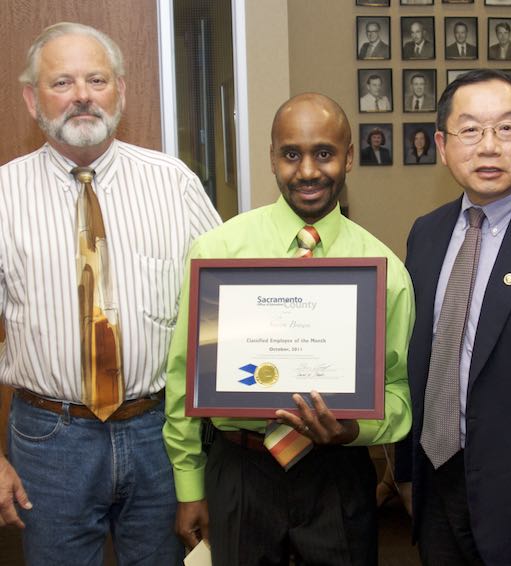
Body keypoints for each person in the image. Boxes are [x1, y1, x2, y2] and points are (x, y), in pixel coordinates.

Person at [0, 22, 220, 565]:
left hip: (159, 434)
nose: (81, 96)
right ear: (32, 98)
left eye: (96, 79)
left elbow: (221, 306)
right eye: (62, 82)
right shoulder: (4, 194)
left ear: (120, 89)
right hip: (49, 441)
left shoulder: (175, 183)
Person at [164, 92, 415, 566]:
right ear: (272, 158)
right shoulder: (218, 252)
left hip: (337, 476)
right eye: (291, 154)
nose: (307, 171)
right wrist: (189, 486)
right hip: (240, 470)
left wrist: (351, 428)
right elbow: (182, 380)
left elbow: (399, 395)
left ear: (349, 158)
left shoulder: (386, 272)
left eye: (324, 153)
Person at [395, 68, 511, 565]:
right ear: (443, 146)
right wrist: (406, 474)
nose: (488, 146)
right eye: (470, 130)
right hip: (436, 487)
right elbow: (418, 358)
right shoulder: (425, 234)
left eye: (507, 129)